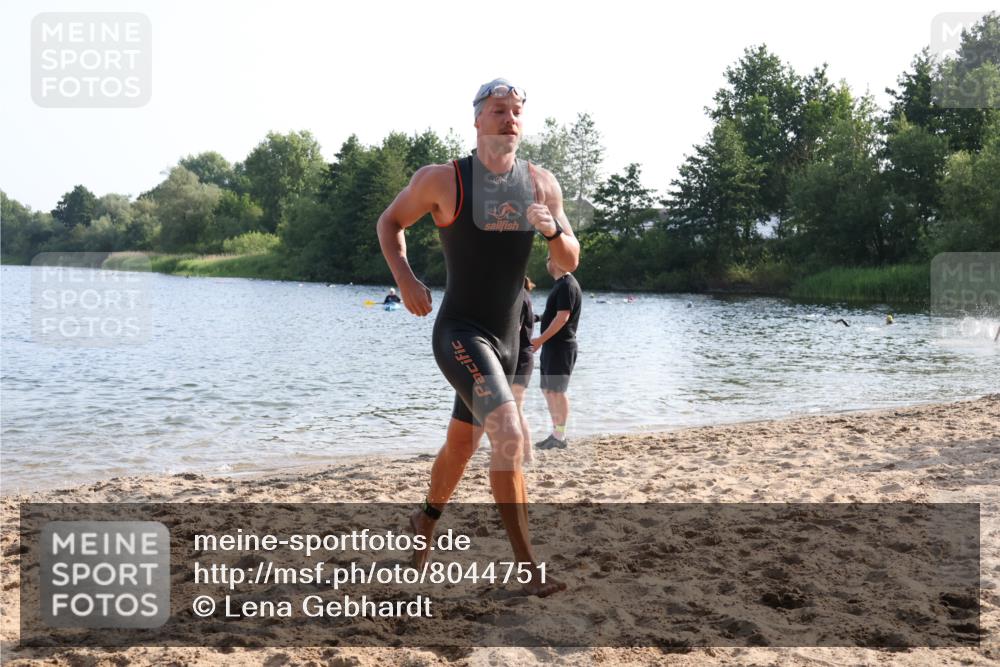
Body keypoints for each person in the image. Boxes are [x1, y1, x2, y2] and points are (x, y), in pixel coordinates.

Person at [375, 78, 579, 597]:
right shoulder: (443, 180)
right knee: (509, 436)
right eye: (497, 110)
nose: (509, 119)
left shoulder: (540, 183)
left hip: (513, 334)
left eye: (516, 111)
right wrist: (405, 279)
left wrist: (553, 232)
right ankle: (528, 569)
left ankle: (423, 521)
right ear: (477, 120)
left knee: (463, 444)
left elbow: (568, 262)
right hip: (462, 331)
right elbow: (390, 222)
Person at [531, 254, 582, 450]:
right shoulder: (560, 284)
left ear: (556, 262)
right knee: (548, 390)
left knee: (557, 391)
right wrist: (534, 318)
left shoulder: (567, 284)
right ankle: (555, 433)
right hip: (553, 346)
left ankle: (560, 436)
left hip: (562, 346)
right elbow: (553, 315)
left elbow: (562, 318)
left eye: (548, 258)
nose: (547, 262)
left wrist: (539, 340)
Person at [512, 276, 540, 464]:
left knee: (516, 409)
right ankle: (524, 453)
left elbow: (514, 328)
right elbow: (532, 318)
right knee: (514, 409)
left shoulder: (518, 297)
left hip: (521, 359)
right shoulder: (524, 296)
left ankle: (528, 454)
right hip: (522, 357)